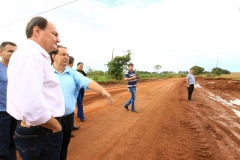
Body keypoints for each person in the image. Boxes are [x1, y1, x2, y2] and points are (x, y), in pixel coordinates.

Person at [7, 16, 65, 160]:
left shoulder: (32, 55)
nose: (58, 39)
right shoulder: (30, 56)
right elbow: (31, 107)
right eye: (55, 34)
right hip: (42, 131)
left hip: (39, 129)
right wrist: (56, 126)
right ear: (37, 31)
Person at [50, 45, 112, 160]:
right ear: (54, 56)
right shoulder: (46, 72)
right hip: (50, 119)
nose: (66, 57)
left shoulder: (73, 73)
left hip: (68, 118)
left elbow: (87, 81)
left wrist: (102, 90)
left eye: (67, 55)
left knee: (64, 147)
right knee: (50, 148)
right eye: (63, 54)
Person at [0, 42, 17, 160]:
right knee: (3, 144)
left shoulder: (16, 69)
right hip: (2, 113)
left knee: (14, 142)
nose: (14, 54)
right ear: (1, 52)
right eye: (10, 51)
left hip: (15, 112)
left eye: (15, 52)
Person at [67, 56, 80, 136]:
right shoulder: (70, 72)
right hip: (67, 96)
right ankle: (68, 131)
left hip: (71, 96)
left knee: (71, 113)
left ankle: (71, 127)